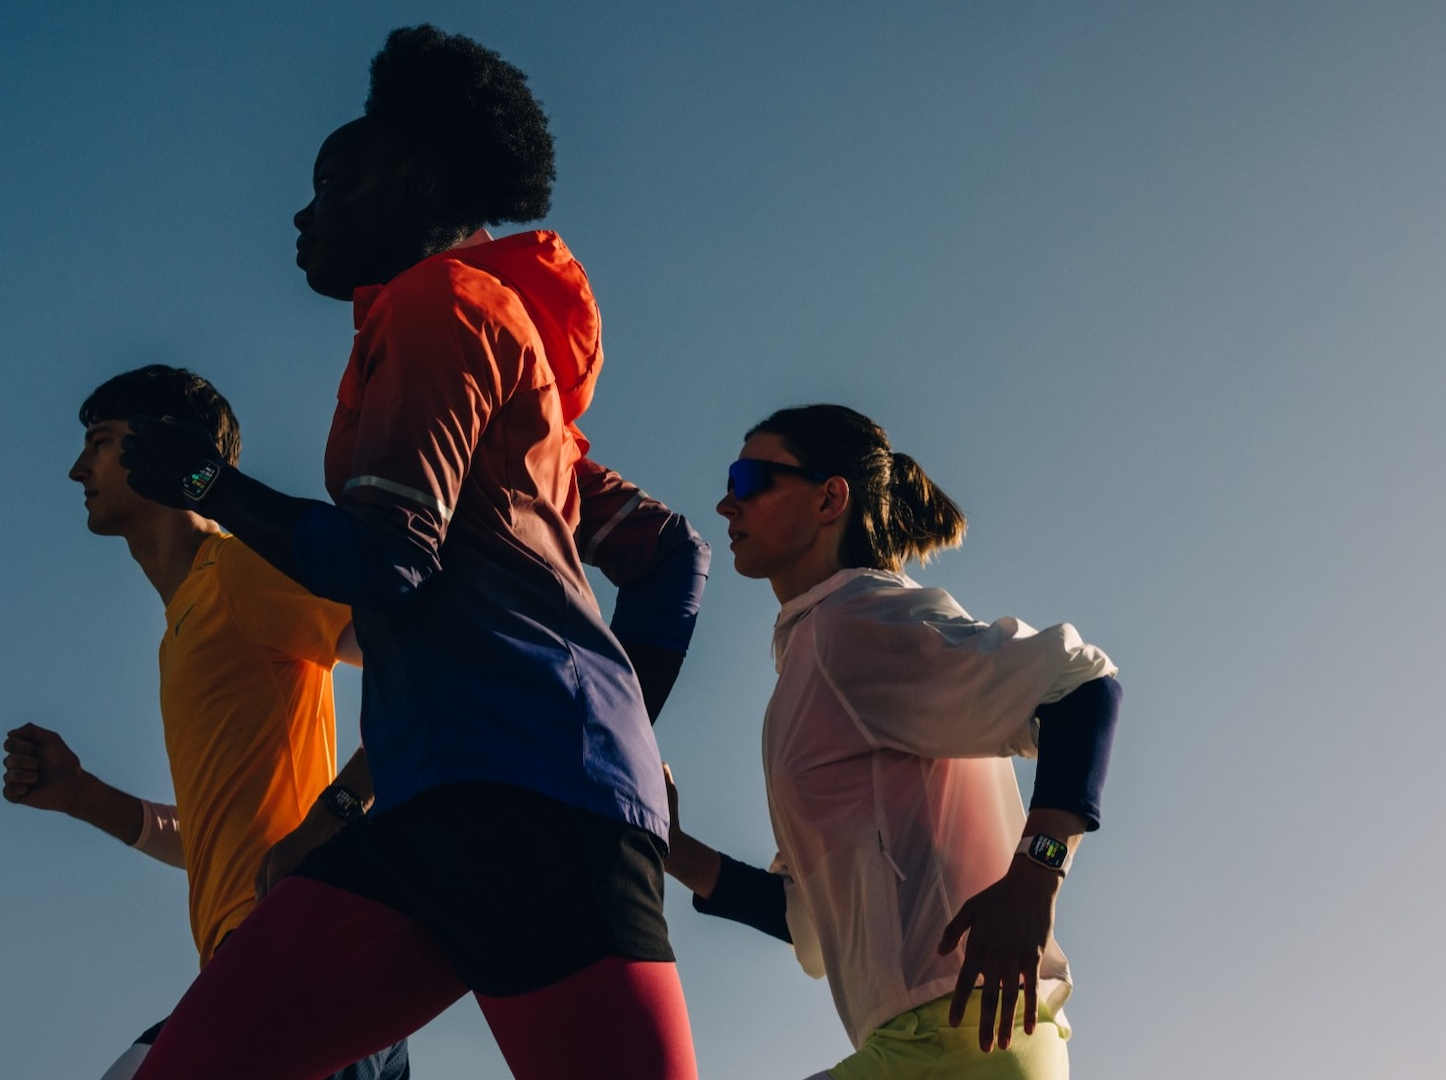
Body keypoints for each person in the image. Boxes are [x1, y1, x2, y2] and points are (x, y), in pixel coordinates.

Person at [116, 26, 705, 1080]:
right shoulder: (502, 361)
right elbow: (667, 557)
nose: (304, 211)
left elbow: (388, 563)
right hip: (450, 810)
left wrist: (204, 483)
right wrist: (621, 732)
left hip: (531, 821)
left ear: (418, 182)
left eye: (334, 180)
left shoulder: (444, 304)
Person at [663, 404, 1123, 1080]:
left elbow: (1084, 684)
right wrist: (669, 846)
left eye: (751, 477)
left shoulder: (854, 623)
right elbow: (804, 916)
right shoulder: (810, 665)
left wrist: (1035, 876)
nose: (727, 503)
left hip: (964, 1040)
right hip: (944, 1048)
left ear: (830, 498)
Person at [1, 365, 408, 1080]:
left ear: (159, 445)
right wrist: (83, 796)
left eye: (99, 442)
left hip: (302, 954)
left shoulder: (243, 568)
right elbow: (224, 839)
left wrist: (334, 816)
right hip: (266, 962)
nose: (76, 469)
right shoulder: (184, 626)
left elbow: (424, 659)